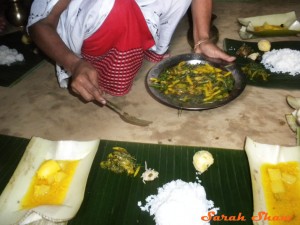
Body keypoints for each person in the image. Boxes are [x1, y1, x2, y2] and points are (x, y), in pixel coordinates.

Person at [27, 0, 235, 105]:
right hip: (94, 15)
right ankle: (95, 63)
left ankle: (149, 47)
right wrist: (73, 63)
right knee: (118, 5)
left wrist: (202, 39)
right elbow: (41, 24)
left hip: (136, 11)